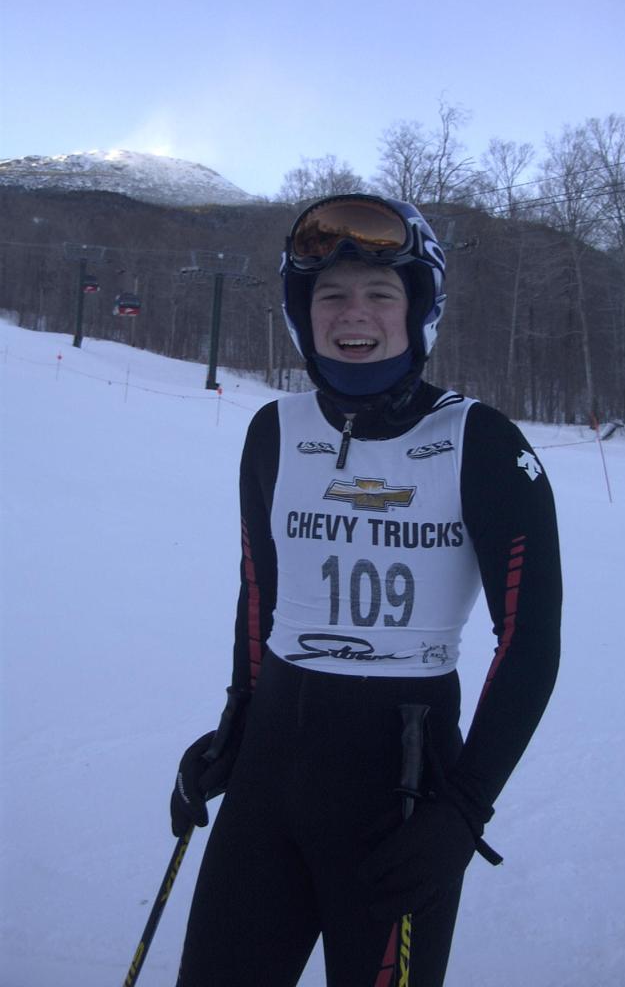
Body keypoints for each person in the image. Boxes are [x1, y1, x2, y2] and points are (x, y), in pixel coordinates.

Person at [170, 194, 562, 986]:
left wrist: (465, 806)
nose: (354, 314)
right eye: (331, 294)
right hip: (270, 777)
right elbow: (260, 595)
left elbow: (530, 640)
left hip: (405, 790)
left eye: (380, 293)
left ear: (418, 310)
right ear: (302, 313)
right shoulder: (273, 432)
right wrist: (236, 725)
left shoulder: (480, 442)